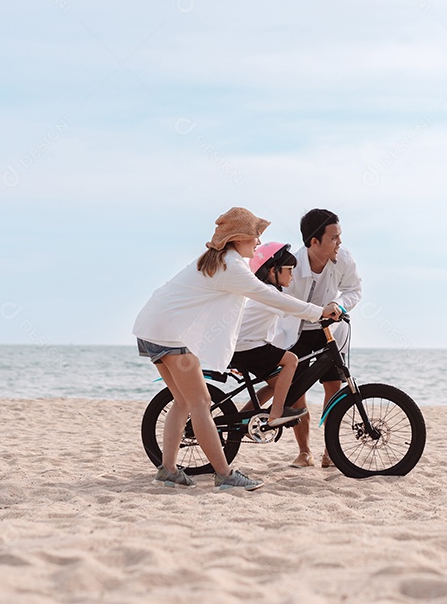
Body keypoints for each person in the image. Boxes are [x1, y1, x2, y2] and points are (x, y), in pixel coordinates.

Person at [132, 207, 340, 491]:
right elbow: (269, 296)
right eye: (255, 235)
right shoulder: (231, 266)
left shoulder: (216, 260)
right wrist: (319, 312)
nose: (257, 242)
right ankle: (225, 475)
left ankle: (168, 470)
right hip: (170, 335)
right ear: (239, 238)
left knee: (183, 402)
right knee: (200, 404)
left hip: (152, 328)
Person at [272, 208, 362, 468]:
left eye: (340, 236)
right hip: (295, 332)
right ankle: (304, 452)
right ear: (314, 242)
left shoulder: (343, 258)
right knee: (296, 391)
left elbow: (354, 290)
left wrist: (338, 304)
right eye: (334, 238)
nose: (339, 242)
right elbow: (279, 300)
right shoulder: (293, 264)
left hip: (330, 331)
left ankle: (329, 451)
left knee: (333, 388)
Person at [231, 242, 308, 429]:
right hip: (248, 347)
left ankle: (240, 420)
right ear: (273, 270)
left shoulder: (266, 293)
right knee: (291, 360)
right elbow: (293, 307)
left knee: (276, 384)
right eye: (289, 269)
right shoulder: (269, 294)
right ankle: (277, 413)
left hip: (244, 347)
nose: (292, 275)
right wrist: (322, 313)